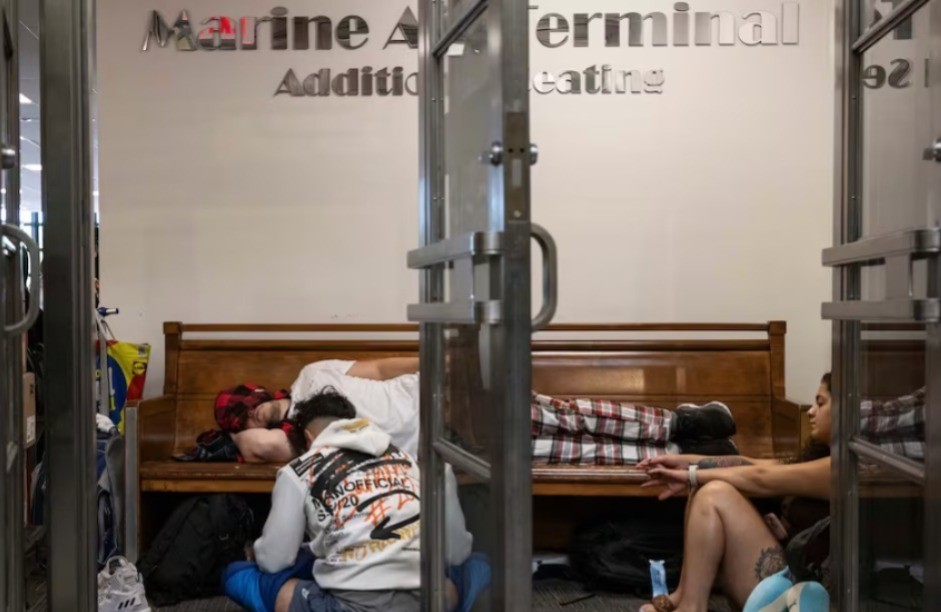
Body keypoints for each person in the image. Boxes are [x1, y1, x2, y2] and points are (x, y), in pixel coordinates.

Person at [637, 373, 835, 612]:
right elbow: (752, 464)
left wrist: (690, 475)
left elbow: (761, 479)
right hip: (782, 581)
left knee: (715, 494)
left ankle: (692, 607)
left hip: (801, 596)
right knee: (704, 487)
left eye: (821, 403)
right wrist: (683, 462)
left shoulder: (840, 469)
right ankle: (684, 596)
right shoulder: (819, 455)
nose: (811, 411)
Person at [224, 388, 430, 612]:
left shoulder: (300, 469)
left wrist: (258, 551)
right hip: (426, 598)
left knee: (236, 575)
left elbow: (275, 562)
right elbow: (453, 553)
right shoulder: (405, 457)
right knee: (470, 568)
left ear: (308, 437)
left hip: (350, 605)